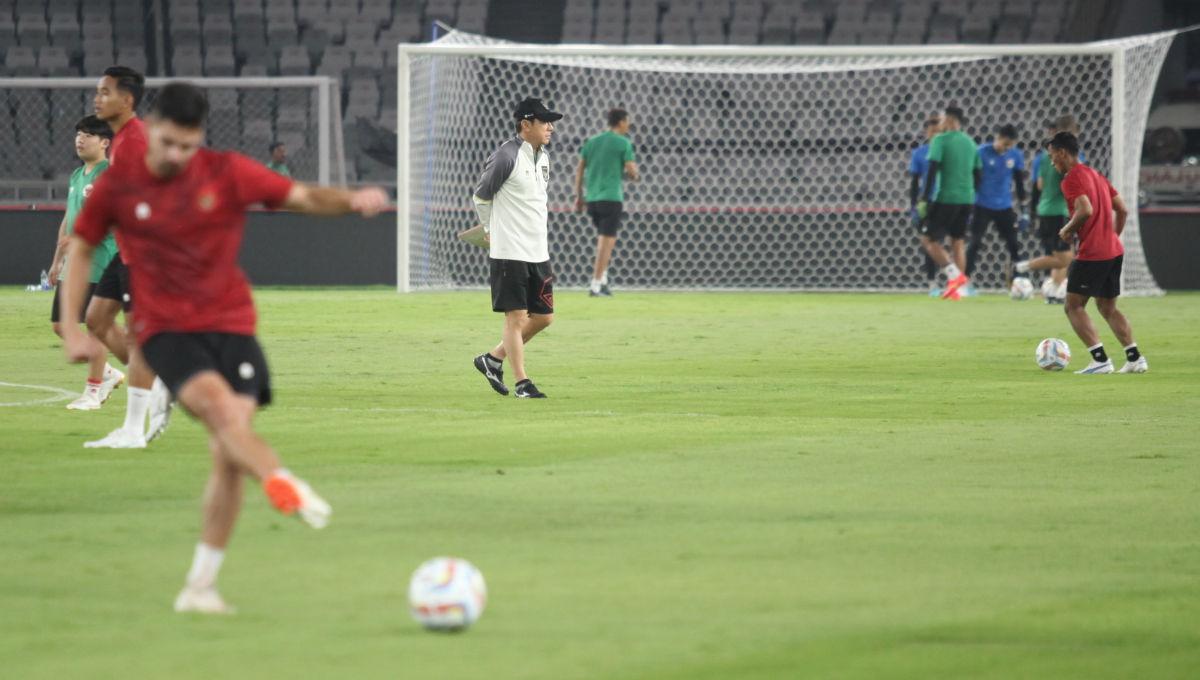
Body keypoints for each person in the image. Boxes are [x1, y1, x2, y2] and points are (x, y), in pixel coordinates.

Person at [59, 82, 389, 613]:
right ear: (154, 128)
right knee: (219, 413)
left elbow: (301, 196)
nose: (175, 155)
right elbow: (81, 251)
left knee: (227, 450)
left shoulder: (225, 172)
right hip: (166, 330)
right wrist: (76, 329)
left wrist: (351, 200)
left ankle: (200, 586)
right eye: (167, 142)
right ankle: (282, 481)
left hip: (232, 326)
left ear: (199, 140)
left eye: (186, 146)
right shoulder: (122, 185)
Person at [86, 65, 173, 448]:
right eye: (98, 91)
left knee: (140, 338)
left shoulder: (135, 139)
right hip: (127, 248)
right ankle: (161, 383)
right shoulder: (123, 139)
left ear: (128, 99)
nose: (97, 98)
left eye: (105, 92)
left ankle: (134, 430)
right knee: (97, 319)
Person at [471, 97, 561, 399]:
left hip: (538, 251)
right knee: (516, 318)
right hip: (509, 251)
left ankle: (493, 359)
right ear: (526, 124)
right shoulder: (505, 156)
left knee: (544, 317)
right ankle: (523, 383)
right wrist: (488, 231)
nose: (550, 127)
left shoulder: (544, 156)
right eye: (544, 121)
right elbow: (481, 196)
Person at [1043, 131, 1147, 375]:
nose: (1051, 162)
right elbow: (1122, 209)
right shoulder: (1097, 175)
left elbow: (1085, 209)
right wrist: (1111, 237)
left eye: (1052, 156)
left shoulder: (1071, 179)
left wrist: (1067, 230)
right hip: (1113, 251)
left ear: (1062, 153)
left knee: (1073, 306)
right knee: (1107, 307)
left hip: (1093, 253)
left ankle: (1100, 360)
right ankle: (1135, 358)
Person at [46, 115, 124, 410]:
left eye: (88, 134)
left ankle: (93, 392)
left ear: (104, 143)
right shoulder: (77, 176)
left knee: (95, 329)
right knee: (59, 325)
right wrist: (57, 261)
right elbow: (68, 219)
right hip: (73, 263)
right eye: (78, 133)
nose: (80, 138)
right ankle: (107, 373)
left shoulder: (109, 175)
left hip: (99, 260)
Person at [1016, 115, 1085, 304]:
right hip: (1060, 211)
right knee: (1066, 258)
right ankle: (1024, 267)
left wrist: (1031, 212)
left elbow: (1039, 185)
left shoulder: (1044, 157)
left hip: (1044, 210)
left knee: (1058, 255)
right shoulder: (1072, 158)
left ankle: (1054, 292)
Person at [918, 105, 981, 300]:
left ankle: (955, 276)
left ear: (950, 119)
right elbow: (978, 174)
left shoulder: (940, 140)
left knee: (928, 239)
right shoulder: (971, 143)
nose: (941, 122)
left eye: (943, 118)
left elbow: (932, 170)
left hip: (946, 197)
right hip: (967, 199)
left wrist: (924, 199)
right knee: (958, 241)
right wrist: (969, 192)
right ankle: (958, 291)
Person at [574, 108, 639, 297]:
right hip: (611, 198)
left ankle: (603, 282)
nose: (629, 125)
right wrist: (634, 175)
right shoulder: (623, 143)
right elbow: (632, 171)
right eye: (627, 121)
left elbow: (579, 170)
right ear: (620, 122)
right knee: (606, 244)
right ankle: (595, 285)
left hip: (592, 200)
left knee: (604, 242)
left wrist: (579, 196)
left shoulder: (592, 142)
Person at [966, 124, 1028, 290]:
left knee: (1013, 244)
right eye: (1005, 144)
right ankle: (964, 281)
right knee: (974, 242)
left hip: (1004, 206)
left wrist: (1025, 212)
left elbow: (1019, 184)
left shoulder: (1015, 156)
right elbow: (972, 179)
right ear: (998, 137)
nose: (1006, 148)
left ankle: (1020, 280)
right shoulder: (980, 152)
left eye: (1010, 145)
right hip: (981, 205)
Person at [907, 115, 943, 296]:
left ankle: (959, 280)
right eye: (932, 131)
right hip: (928, 204)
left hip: (947, 200)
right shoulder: (919, 153)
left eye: (938, 131)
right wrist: (913, 206)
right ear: (926, 133)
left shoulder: (947, 151)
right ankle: (932, 282)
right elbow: (914, 182)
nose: (935, 134)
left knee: (954, 242)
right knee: (929, 243)